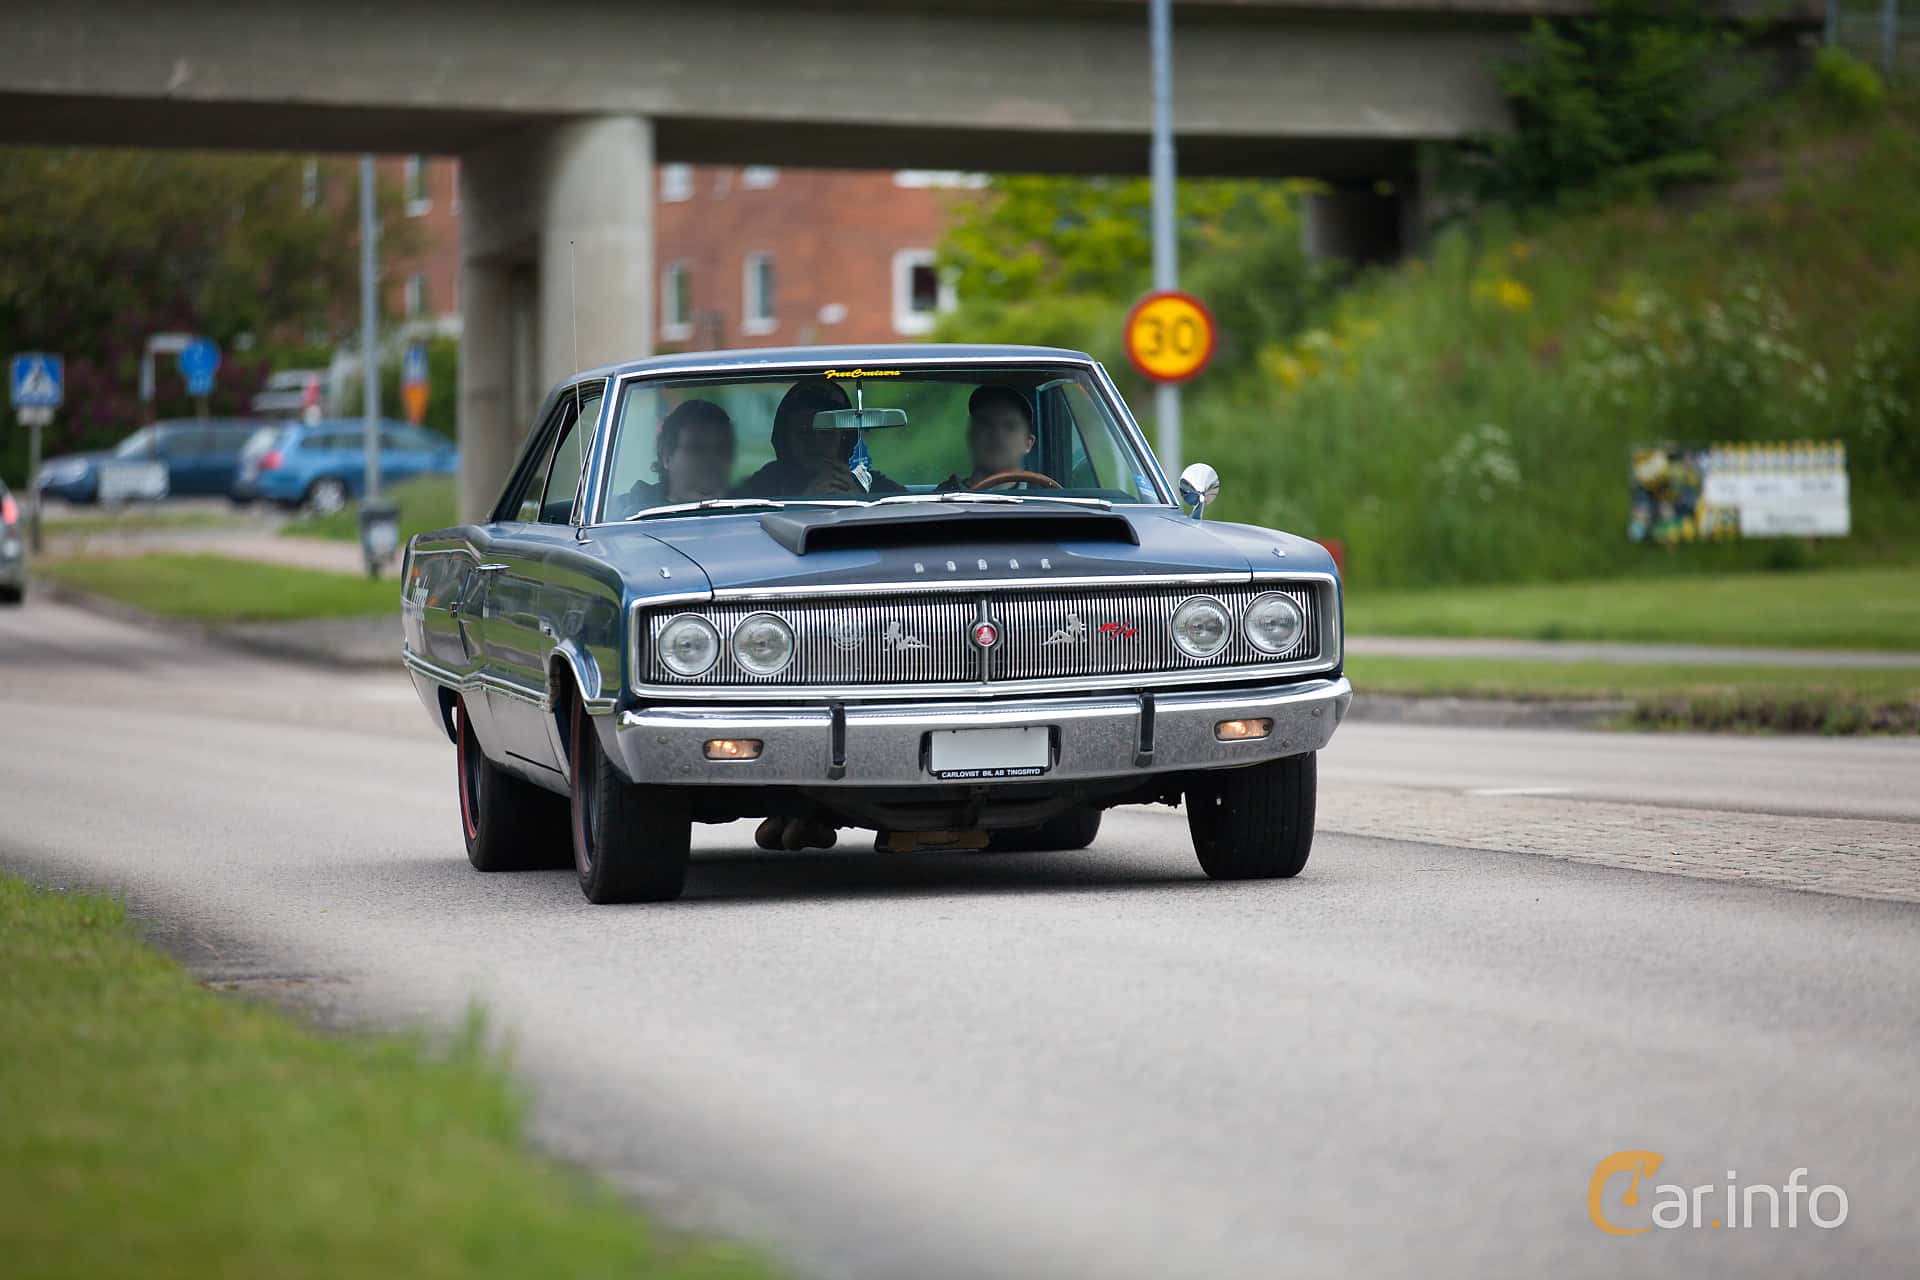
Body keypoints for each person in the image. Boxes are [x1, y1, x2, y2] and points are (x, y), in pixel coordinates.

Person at [732, 379, 899, 498]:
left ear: (844, 437)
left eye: (827, 432)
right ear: (785, 438)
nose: (816, 442)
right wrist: (805, 502)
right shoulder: (763, 485)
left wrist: (859, 502)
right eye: (804, 433)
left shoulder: (869, 483)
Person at [615, 398, 736, 516]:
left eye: (722, 448)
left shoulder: (750, 510)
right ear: (666, 457)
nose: (712, 458)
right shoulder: (630, 516)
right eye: (697, 449)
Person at [939, 384, 1042, 490]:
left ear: (1028, 443)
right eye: (985, 423)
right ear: (971, 434)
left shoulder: (1044, 499)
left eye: (1010, 426)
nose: (996, 433)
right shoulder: (940, 499)